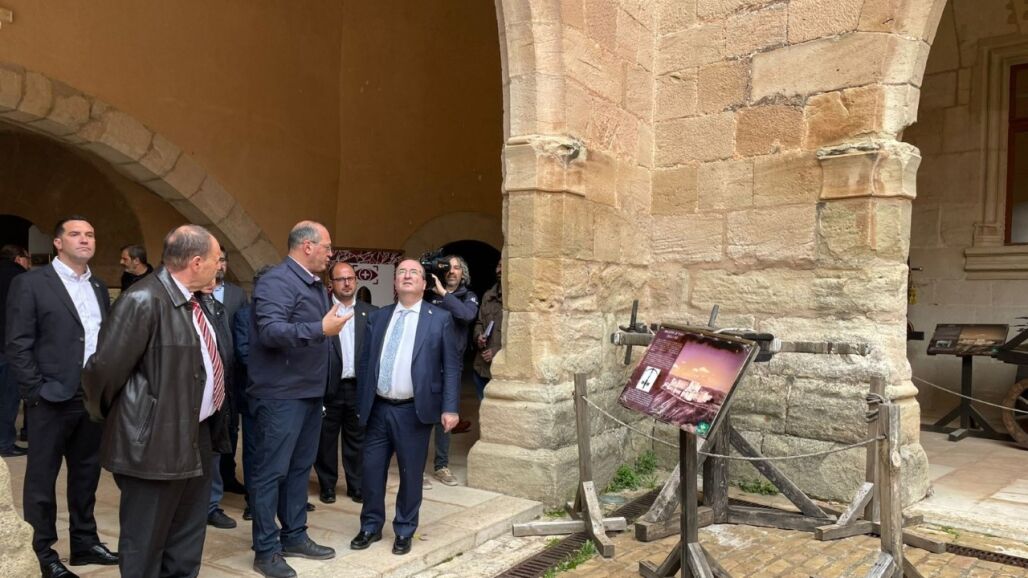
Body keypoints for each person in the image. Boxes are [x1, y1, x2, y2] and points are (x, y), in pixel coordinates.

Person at [83, 225, 228, 578]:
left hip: (196, 434)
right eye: (217, 259)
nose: (220, 265)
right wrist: (134, 421)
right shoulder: (143, 300)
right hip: (153, 443)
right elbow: (104, 372)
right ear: (196, 262)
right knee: (146, 543)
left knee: (186, 538)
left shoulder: (194, 301)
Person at [6, 217, 117, 578]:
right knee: (42, 480)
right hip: (50, 398)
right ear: (57, 242)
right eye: (75, 234)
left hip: (91, 397)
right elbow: (18, 342)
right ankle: (42, 552)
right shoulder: (31, 283)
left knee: (86, 475)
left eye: (90, 234)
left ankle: (85, 543)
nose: (85, 239)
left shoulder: (98, 285)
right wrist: (35, 391)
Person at [248, 221, 350, 578]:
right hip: (280, 396)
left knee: (298, 470)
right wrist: (320, 329)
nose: (330, 253)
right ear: (307, 246)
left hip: (308, 394)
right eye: (326, 246)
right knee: (270, 473)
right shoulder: (276, 281)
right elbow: (271, 331)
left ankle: (294, 535)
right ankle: (266, 550)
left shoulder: (313, 284)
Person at [350, 259, 460, 556]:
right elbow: (365, 362)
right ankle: (370, 526)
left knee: (411, 475)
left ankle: (404, 529)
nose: (407, 275)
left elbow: (451, 367)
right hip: (378, 409)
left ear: (424, 284)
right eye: (401, 272)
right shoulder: (379, 317)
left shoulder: (439, 319)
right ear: (395, 282)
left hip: (414, 411)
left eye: (414, 272)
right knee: (371, 471)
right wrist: (362, 403)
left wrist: (450, 407)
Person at [316, 262, 376, 505]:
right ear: (331, 283)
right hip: (329, 387)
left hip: (357, 387)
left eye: (350, 278)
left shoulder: (370, 313)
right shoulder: (321, 312)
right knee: (325, 441)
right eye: (341, 279)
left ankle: (356, 485)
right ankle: (327, 485)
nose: (347, 283)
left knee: (357, 439)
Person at [424, 254, 477, 487]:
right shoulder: (429, 296)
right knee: (422, 415)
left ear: (463, 273)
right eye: (448, 267)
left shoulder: (469, 296)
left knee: (446, 418)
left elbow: (466, 316)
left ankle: (441, 466)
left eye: (457, 268)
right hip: (428, 364)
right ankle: (415, 467)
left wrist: (444, 294)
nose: (452, 271)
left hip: (452, 366)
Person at [199, 276, 239, 531]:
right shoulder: (184, 308)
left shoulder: (218, 308)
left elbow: (226, 348)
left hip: (218, 391)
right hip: (192, 394)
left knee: (213, 451)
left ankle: (211, 506)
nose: (211, 282)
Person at [212, 250, 249, 495]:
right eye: (216, 260)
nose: (220, 265)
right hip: (208, 369)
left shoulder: (237, 294)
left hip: (233, 372)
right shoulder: (196, 292)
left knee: (231, 426)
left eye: (223, 260)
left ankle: (228, 475)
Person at [0, 244, 30, 457]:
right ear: (19, 259)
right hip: (8, 346)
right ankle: (4, 443)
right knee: (8, 398)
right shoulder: (21, 278)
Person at [472, 261, 503, 401]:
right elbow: (479, 322)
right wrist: (478, 336)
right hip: (481, 369)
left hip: (503, 373)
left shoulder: (518, 300)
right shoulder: (488, 296)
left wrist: (497, 351)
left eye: (504, 265)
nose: (500, 270)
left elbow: (523, 336)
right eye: (498, 265)